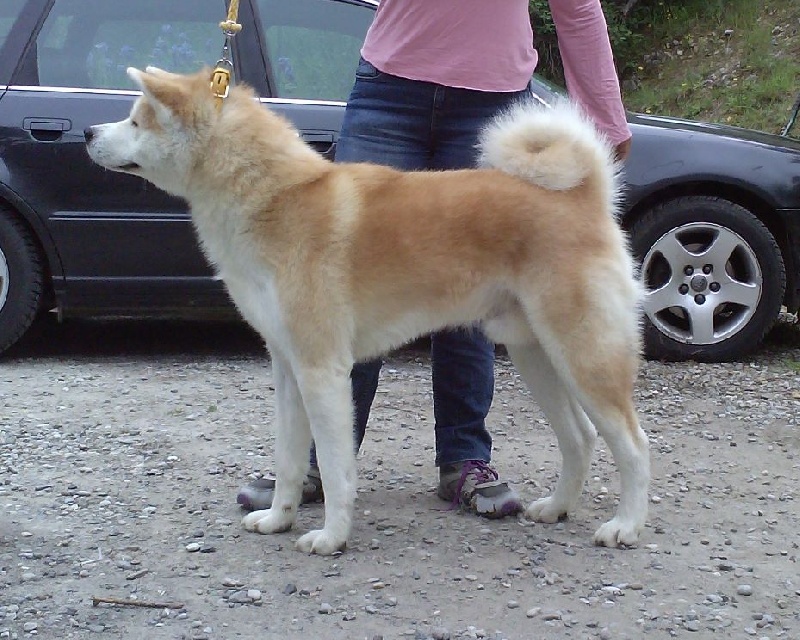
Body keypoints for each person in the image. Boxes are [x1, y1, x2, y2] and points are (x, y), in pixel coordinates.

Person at [237, 0, 632, 519]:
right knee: (342, 280)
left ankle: (465, 459)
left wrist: (603, 116)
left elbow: (577, 8)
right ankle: (311, 468)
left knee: (477, 290)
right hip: (390, 86)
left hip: (492, 94)